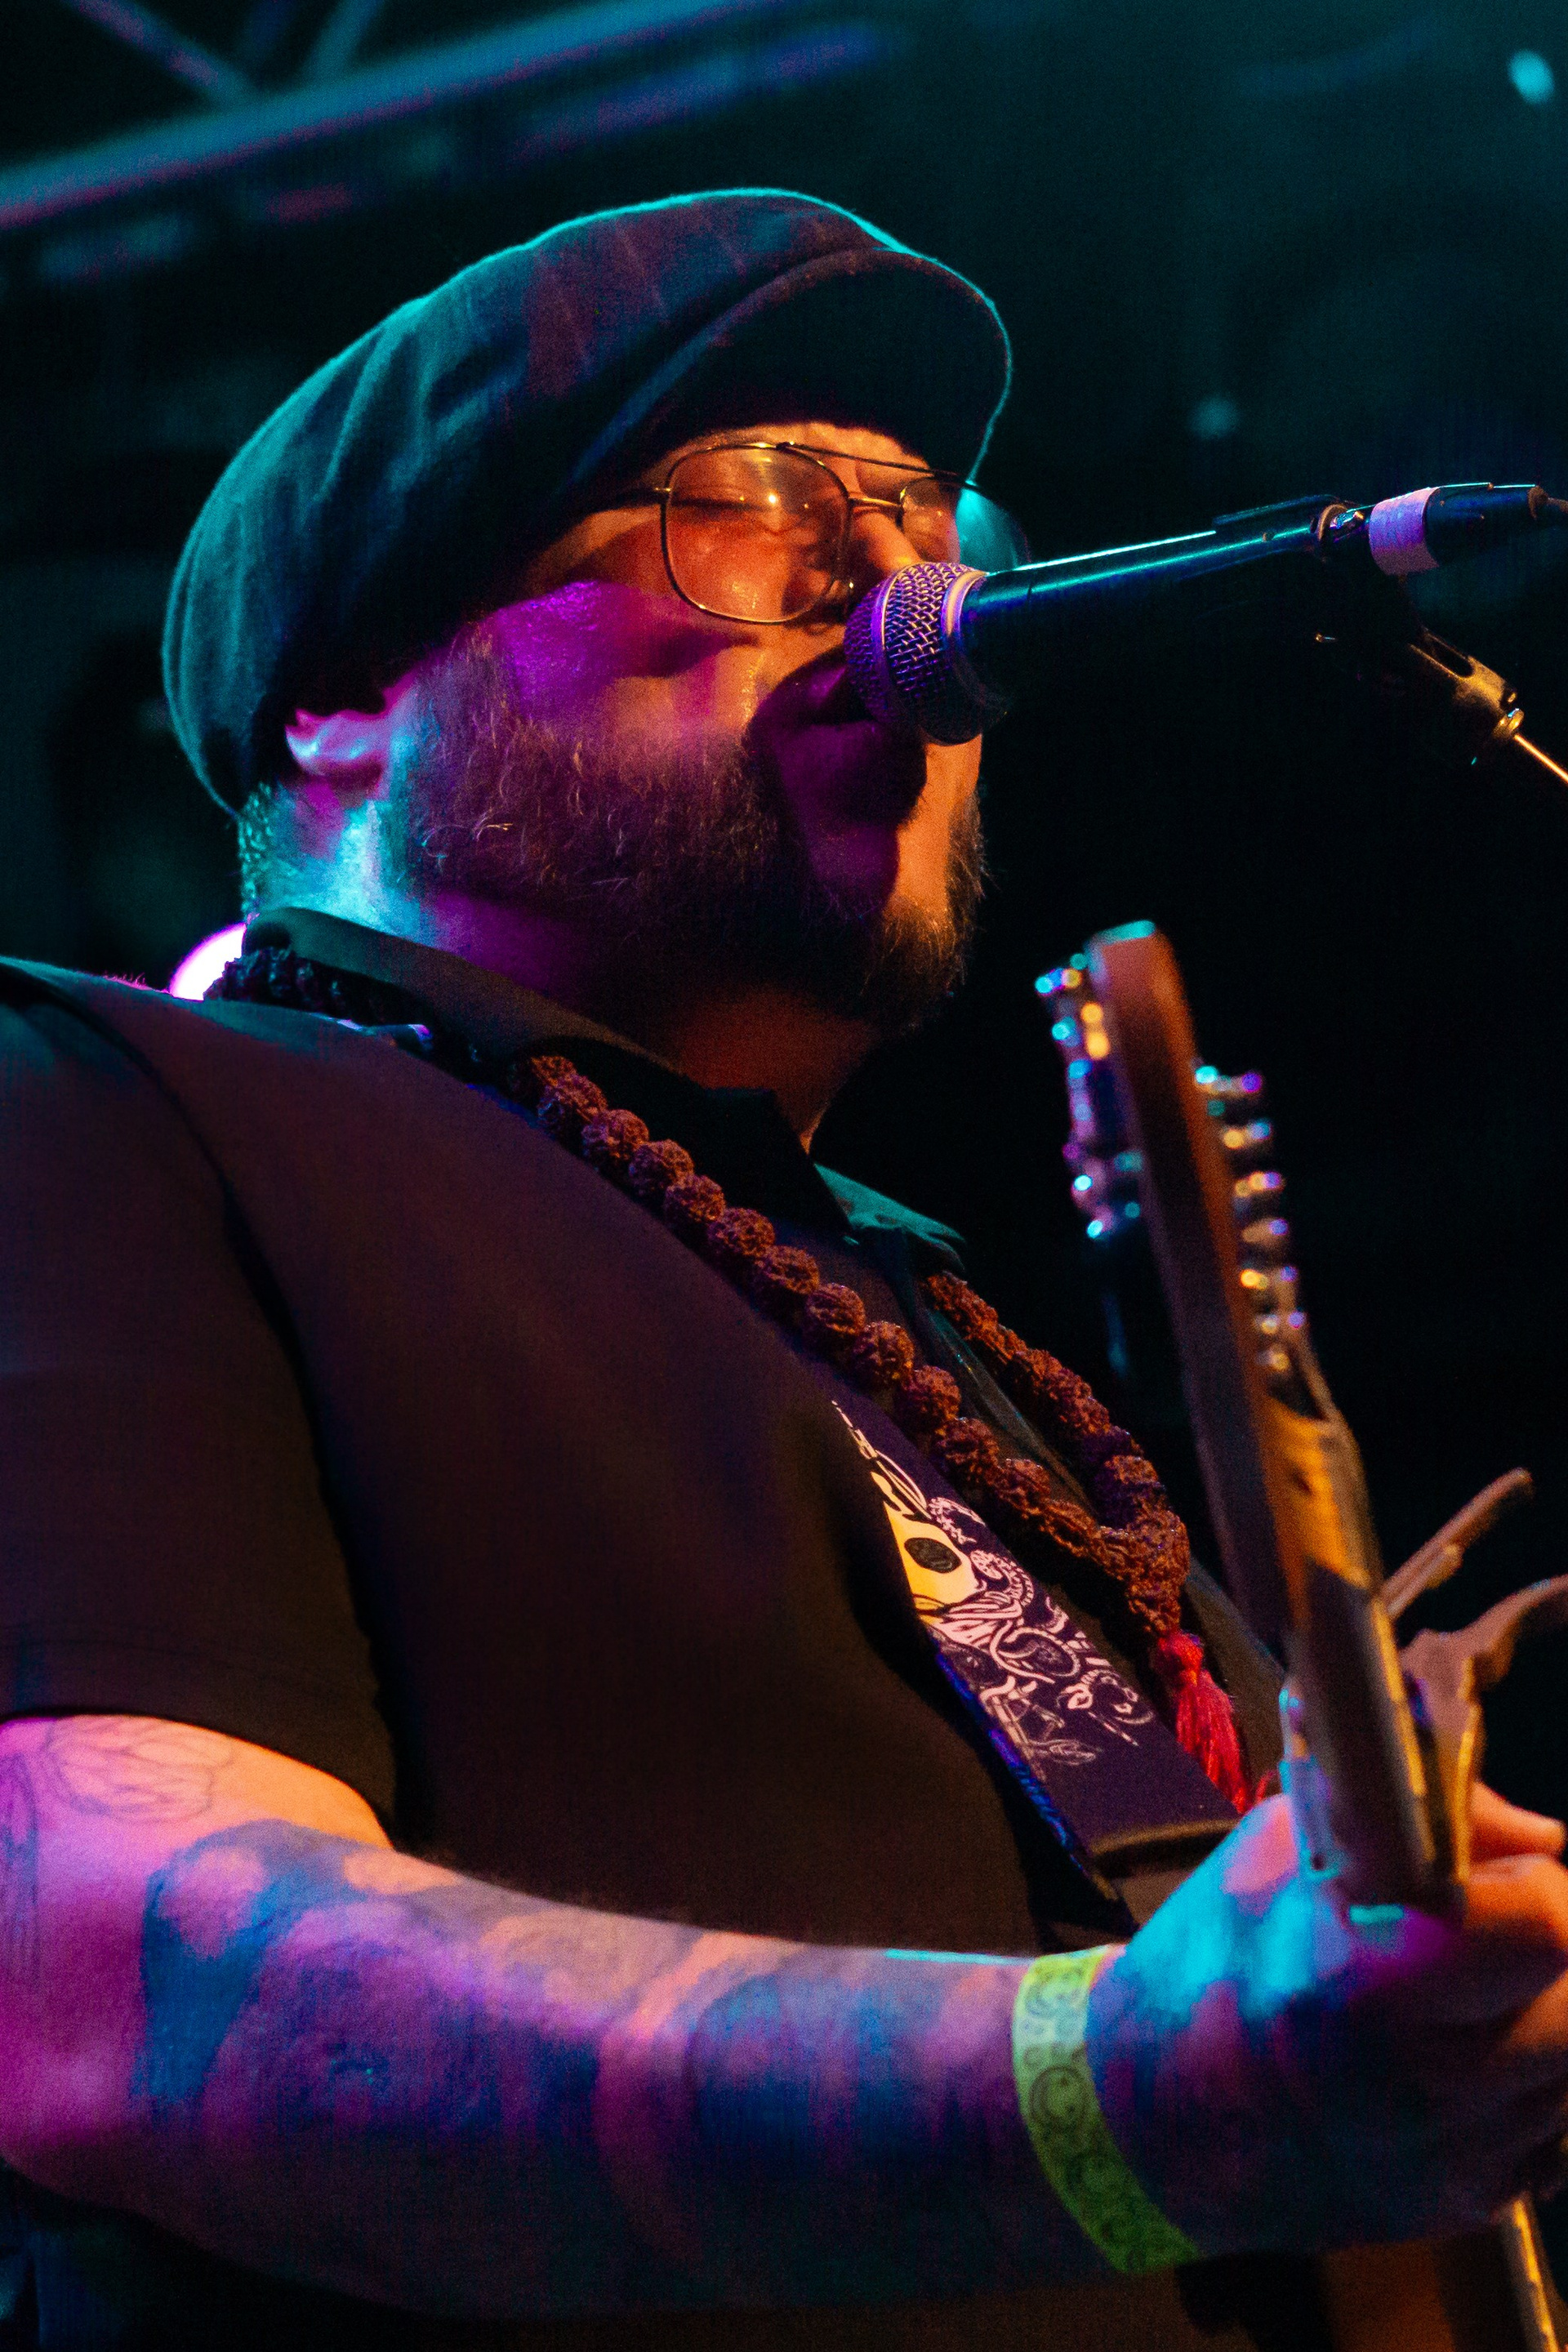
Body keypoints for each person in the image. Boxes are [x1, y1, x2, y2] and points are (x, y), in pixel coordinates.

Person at [0, 187, 1566, 2352]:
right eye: (751, 496)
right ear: (343, 698)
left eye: (920, 512)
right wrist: (1115, 2096)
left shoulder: (927, 1315)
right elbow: (109, 1991)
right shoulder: (104, 1108)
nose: (903, 585)